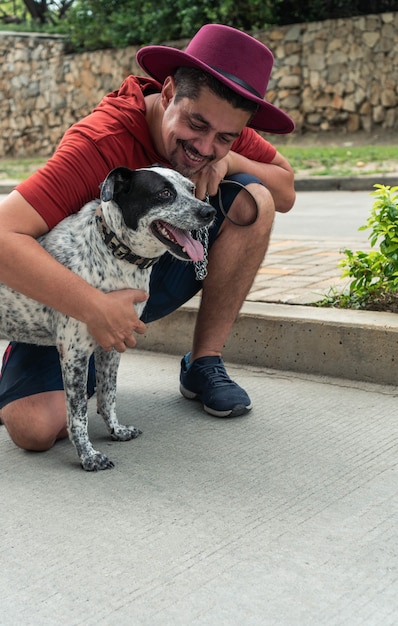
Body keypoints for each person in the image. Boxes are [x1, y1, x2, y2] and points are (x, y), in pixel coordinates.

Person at [0, 24, 295, 452]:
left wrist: (230, 161)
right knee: (34, 429)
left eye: (225, 137)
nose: (204, 147)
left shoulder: (221, 127)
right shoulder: (100, 141)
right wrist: (92, 308)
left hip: (156, 271)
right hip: (70, 297)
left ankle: (203, 361)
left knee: (257, 200)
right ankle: (58, 349)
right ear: (170, 91)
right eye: (197, 125)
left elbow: (285, 189)